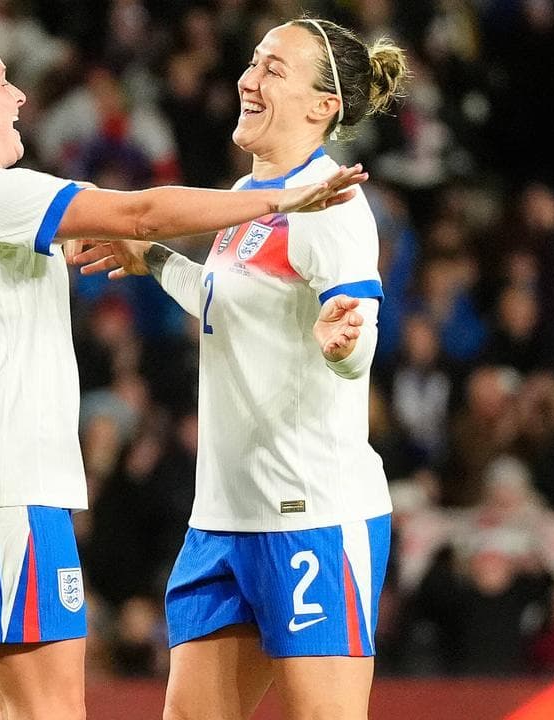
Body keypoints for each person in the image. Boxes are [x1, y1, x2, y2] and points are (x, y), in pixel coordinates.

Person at [0, 33, 366, 720]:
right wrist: (280, 200)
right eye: (4, 83)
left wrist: (157, 260)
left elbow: (189, 268)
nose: (20, 97)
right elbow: (137, 212)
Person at [74, 18, 406, 720]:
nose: (249, 81)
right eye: (253, 63)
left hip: (309, 514)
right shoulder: (250, 201)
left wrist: (344, 349)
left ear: (323, 107)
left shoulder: (331, 202)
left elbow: (356, 327)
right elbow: (230, 306)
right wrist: (155, 261)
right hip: (223, 518)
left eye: (275, 70)